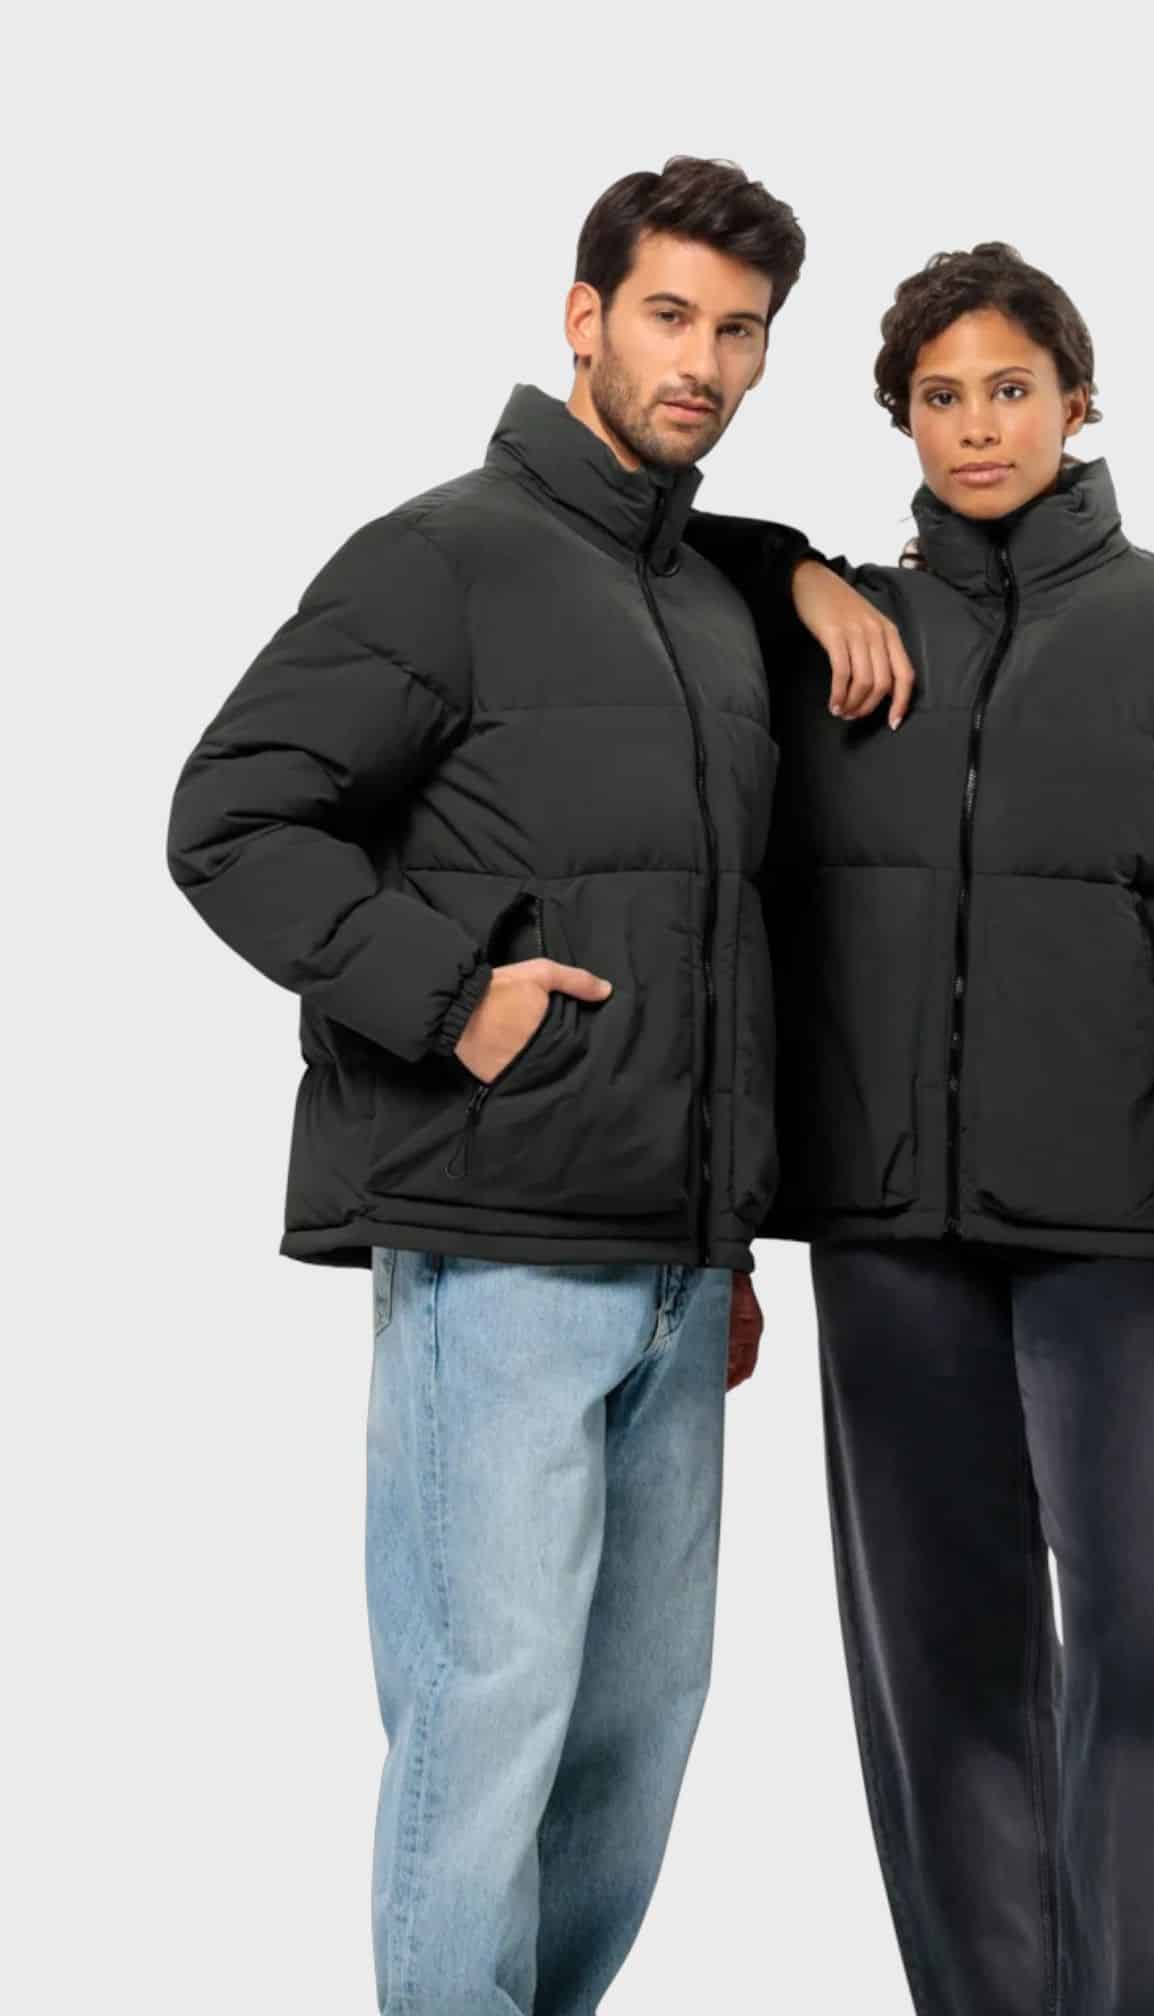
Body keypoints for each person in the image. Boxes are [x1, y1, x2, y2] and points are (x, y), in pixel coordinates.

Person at [164, 156, 884, 2016]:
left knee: (638, 1731)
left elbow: (722, 926)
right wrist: (450, 999)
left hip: (680, 1266)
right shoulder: (443, 558)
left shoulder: (712, 601)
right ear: (584, 317)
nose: (702, 363)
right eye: (669, 315)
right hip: (495, 1246)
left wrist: (730, 1236)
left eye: (742, 333)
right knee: (487, 1720)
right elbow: (229, 818)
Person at [685, 239, 1154, 2015]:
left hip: (1122, 1234)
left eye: (1010, 389)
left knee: (1133, 1634)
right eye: (940, 396)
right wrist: (801, 571)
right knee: (940, 1663)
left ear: (1076, 400)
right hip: (889, 1228)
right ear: (900, 416)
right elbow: (647, 544)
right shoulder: (838, 635)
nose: (978, 426)